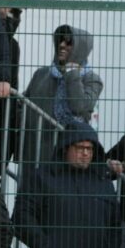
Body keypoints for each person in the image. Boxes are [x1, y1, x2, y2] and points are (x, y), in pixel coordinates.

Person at [19, 24, 103, 171]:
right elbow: (23, 107)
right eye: (60, 40)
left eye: (69, 41)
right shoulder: (41, 74)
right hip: (34, 153)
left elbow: (79, 106)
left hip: (65, 157)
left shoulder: (92, 80)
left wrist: (71, 71)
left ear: (80, 48)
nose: (62, 45)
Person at [0, 0, 29, 184]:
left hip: (5, 113)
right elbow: (1, 35)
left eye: (7, 5)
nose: (4, 10)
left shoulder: (12, 44)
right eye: (0, 4)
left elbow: (6, 34)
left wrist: (17, 6)